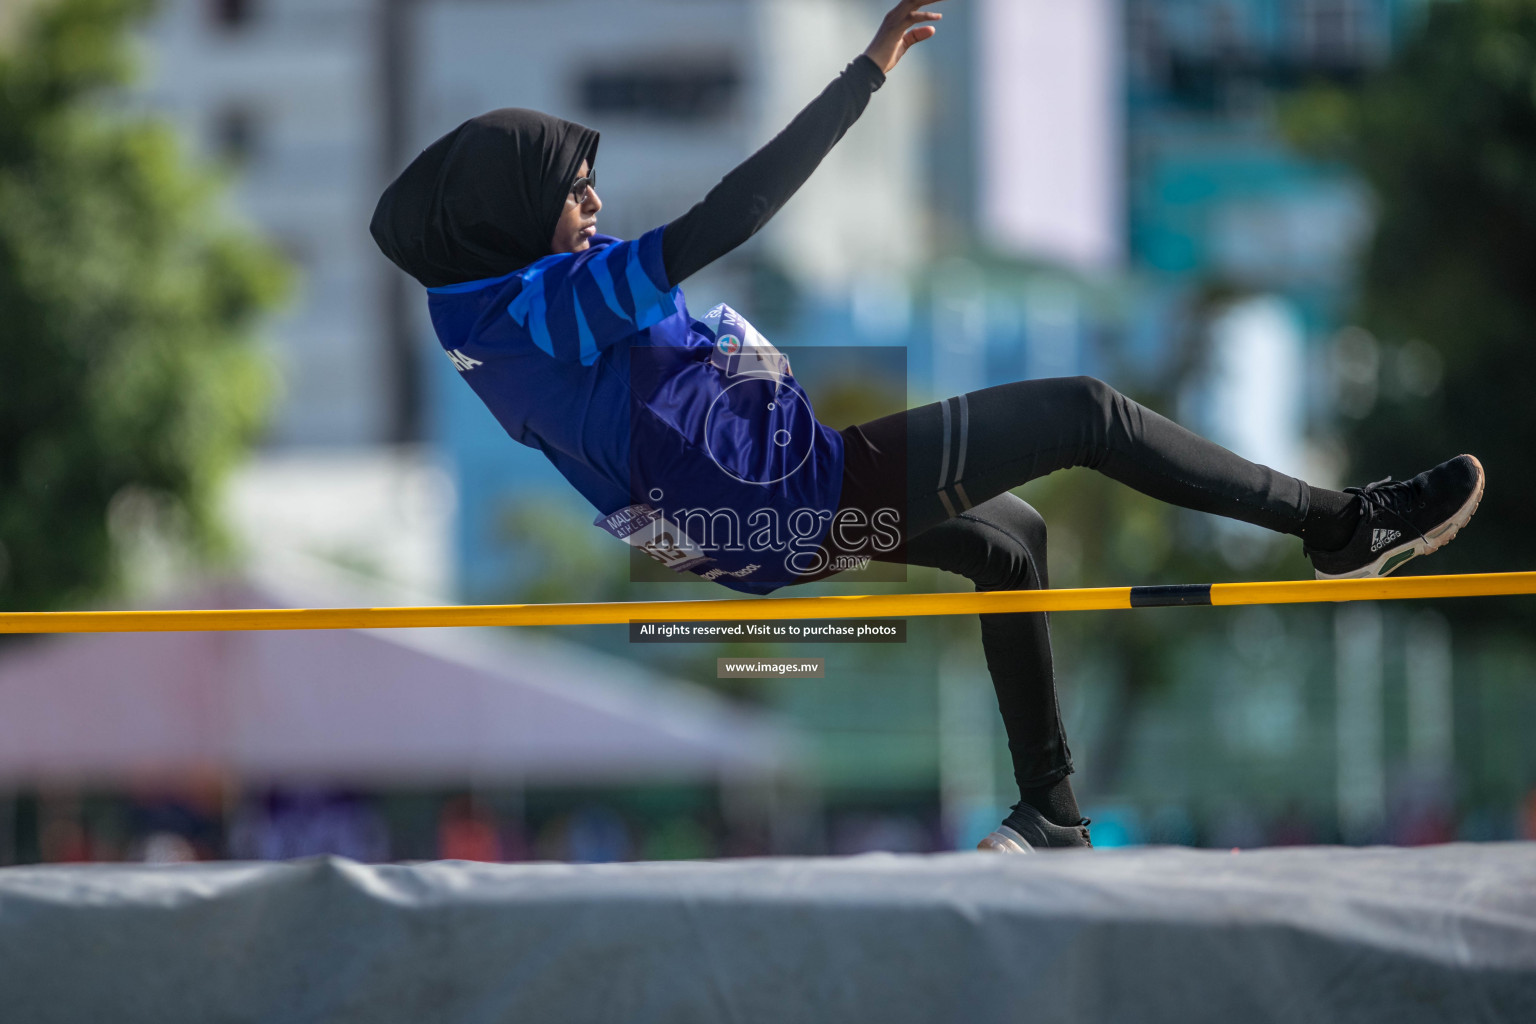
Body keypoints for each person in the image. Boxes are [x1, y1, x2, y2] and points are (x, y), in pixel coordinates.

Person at [371, 0, 1485, 853]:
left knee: (1013, 542)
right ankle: (1341, 524)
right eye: (576, 194)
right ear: (513, 217)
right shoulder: (543, 307)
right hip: (780, 500)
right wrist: (867, 73)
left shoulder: (482, 317)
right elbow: (730, 216)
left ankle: (1049, 809)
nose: (596, 209)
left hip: (739, 526)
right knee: (1087, 412)